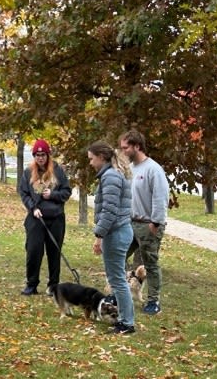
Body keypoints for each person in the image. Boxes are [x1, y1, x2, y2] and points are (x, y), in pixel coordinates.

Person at [88, 140, 136, 335]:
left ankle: (127, 323)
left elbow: (109, 211)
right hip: (116, 232)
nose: (90, 163)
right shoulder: (111, 175)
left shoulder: (111, 177)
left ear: (101, 157)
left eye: (91, 159)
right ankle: (121, 317)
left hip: (116, 233)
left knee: (117, 280)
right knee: (116, 278)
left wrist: (99, 235)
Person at [119, 129, 169, 315]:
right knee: (119, 255)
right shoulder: (131, 169)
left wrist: (155, 223)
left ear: (137, 146)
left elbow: (160, 198)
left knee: (150, 263)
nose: (123, 151)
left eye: (126, 148)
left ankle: (153, 301)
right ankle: (121, 293)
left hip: (149, 224)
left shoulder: (153, 169)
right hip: (130, 223)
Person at [18, 139, 72, 295]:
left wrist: (53, 195)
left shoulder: (57, 171)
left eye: (43, 155)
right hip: (36, 218)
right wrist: (32, 208)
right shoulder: (28, 172)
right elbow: (24, 193)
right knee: (33, 251)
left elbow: (66, 192)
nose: (40, 158)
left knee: (54, 252)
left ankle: (53, 285)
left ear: (48, 155)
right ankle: (32, 284)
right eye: (37, 155)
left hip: (55, 218)